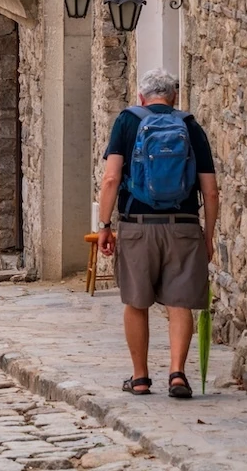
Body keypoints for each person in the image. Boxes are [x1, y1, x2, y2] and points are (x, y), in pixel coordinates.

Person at [96, 69, 219, 400]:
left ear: (141, 97)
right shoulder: (191, 126)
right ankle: (177, 375)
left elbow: (110, 179)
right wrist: (207, 236)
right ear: (174, 97)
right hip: (184, 225)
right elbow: (210, 191)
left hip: (138, 225)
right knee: (180, 302)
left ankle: (140, 377)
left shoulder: (127, 122)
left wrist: (105, 225)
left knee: (136, 302)